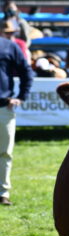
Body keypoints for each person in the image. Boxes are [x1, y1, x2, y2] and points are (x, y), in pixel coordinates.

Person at [0, 36, 33, 205]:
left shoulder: (9, 46)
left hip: (4, 107)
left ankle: (3, 193)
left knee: (5, 152)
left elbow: (26, 71)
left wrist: (21, 96)